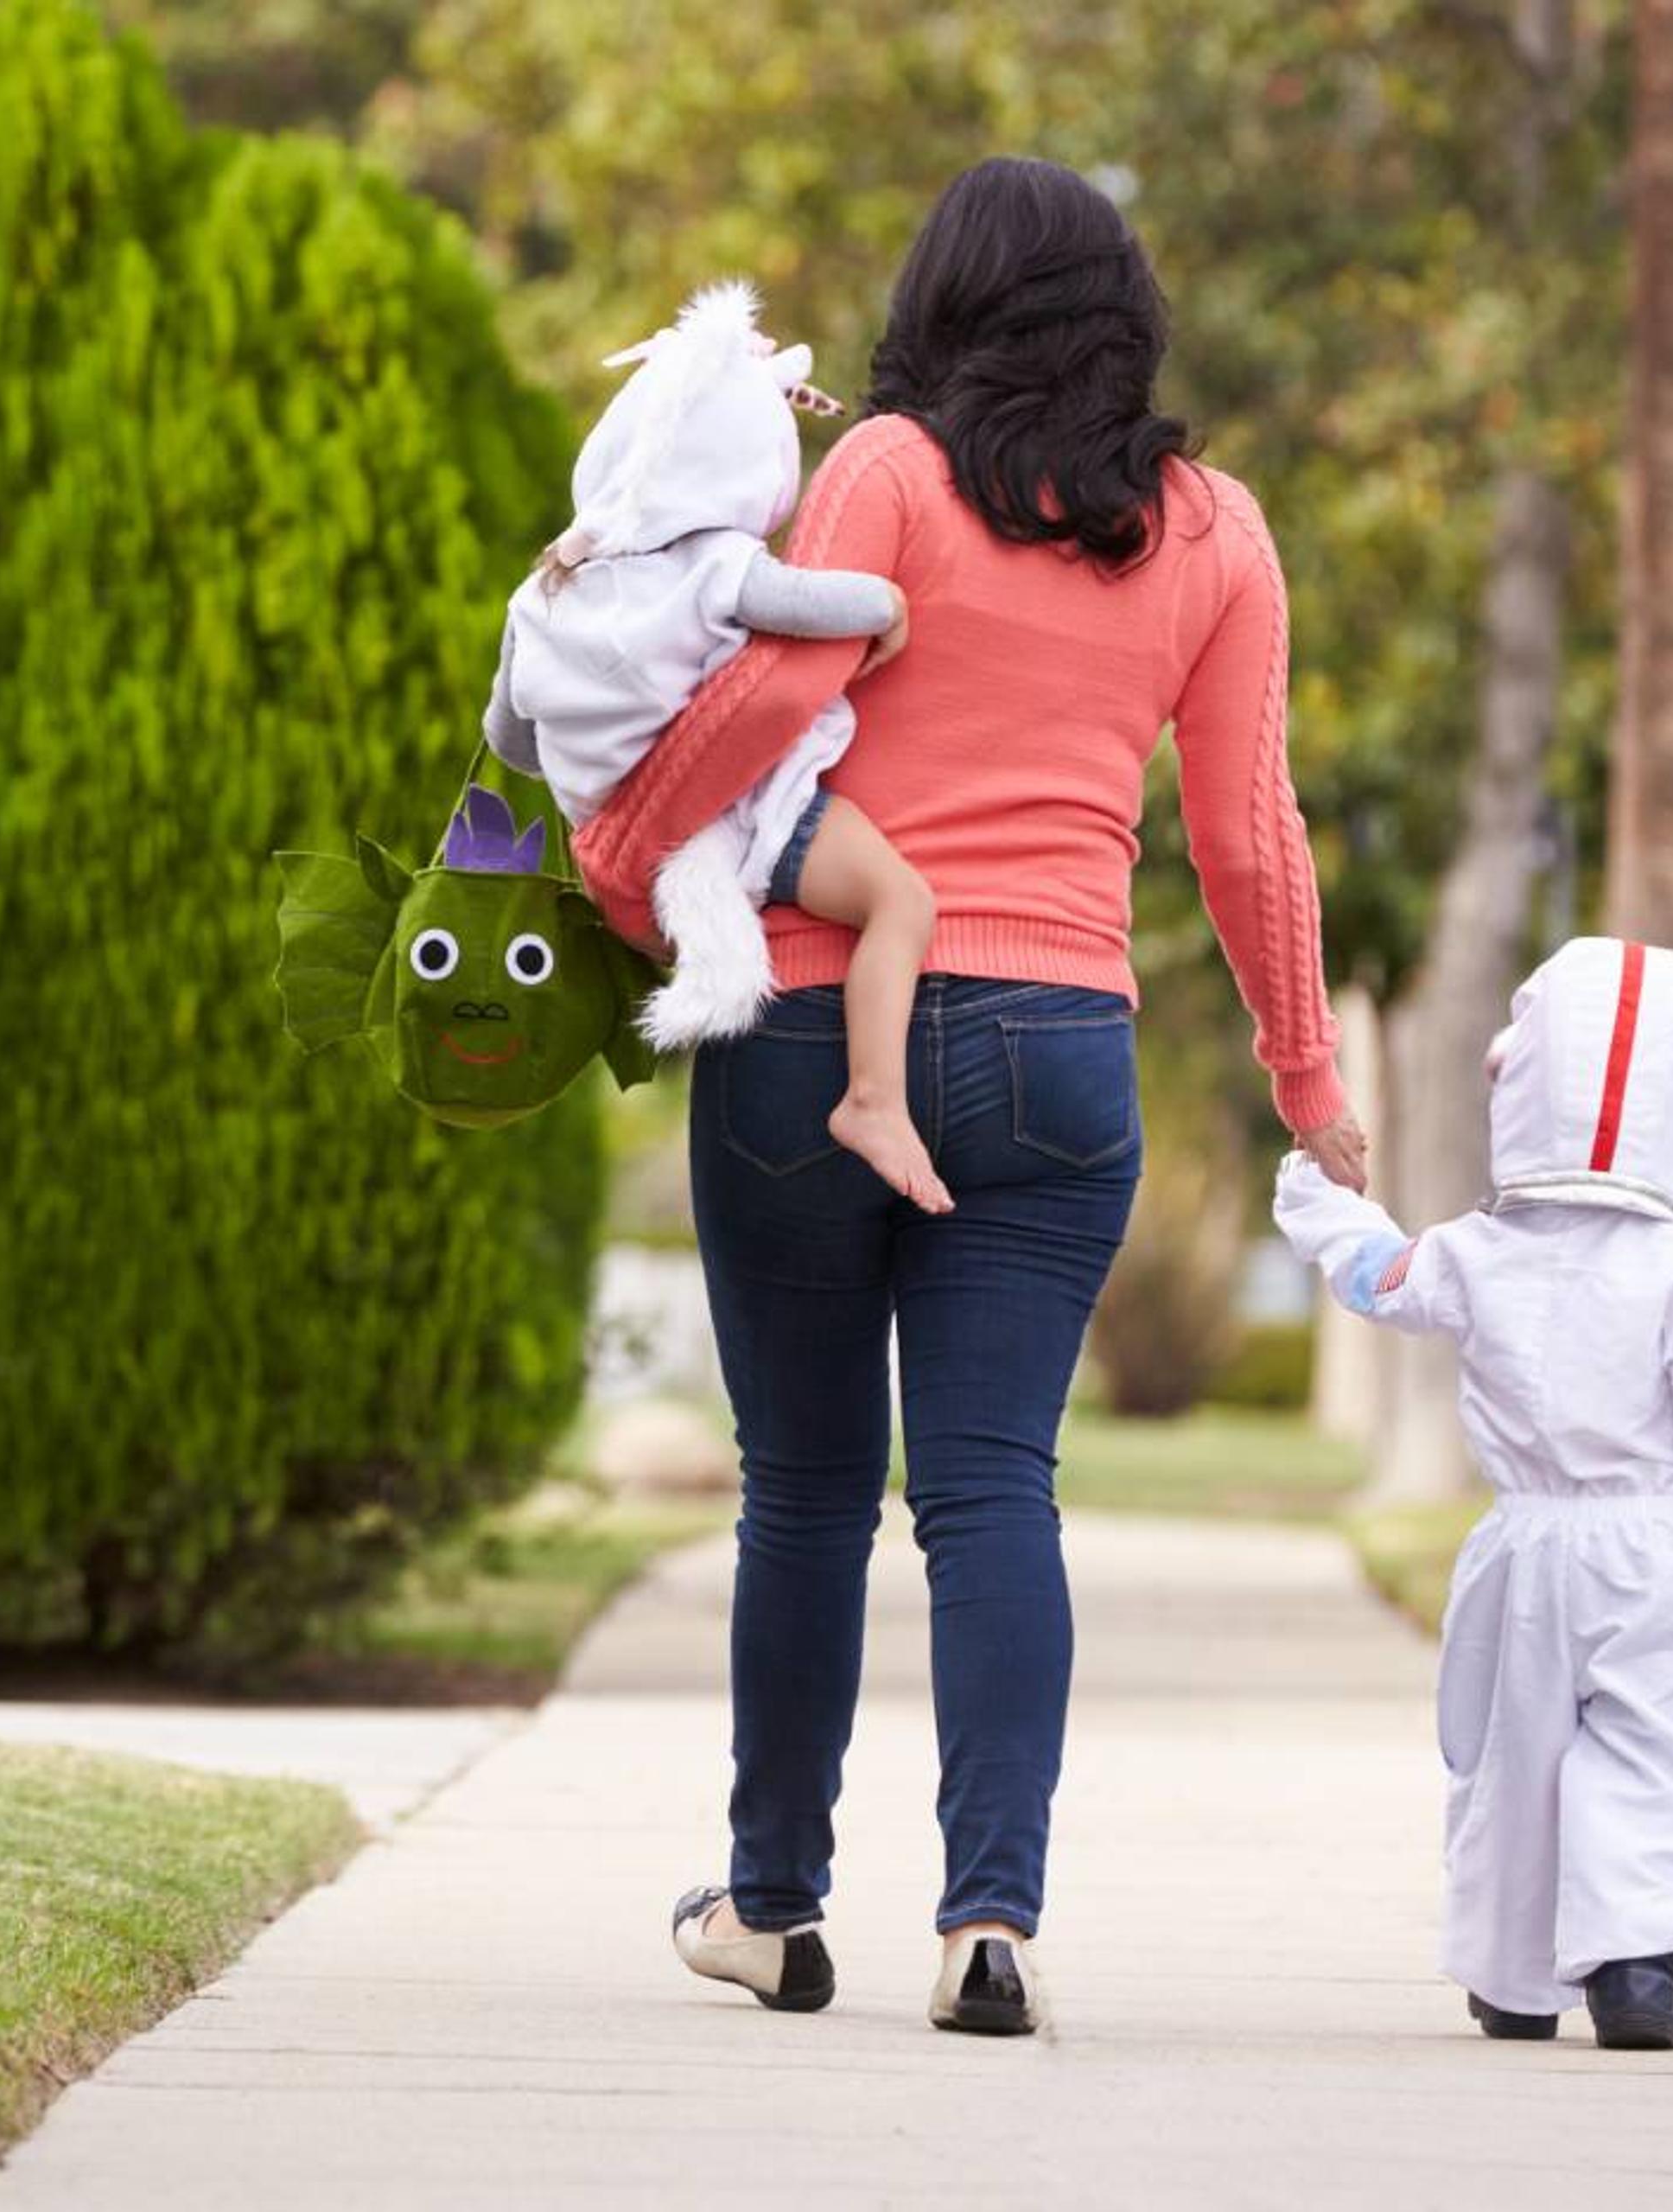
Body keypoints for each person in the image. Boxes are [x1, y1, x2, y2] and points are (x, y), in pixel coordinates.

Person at [567, 158, 1370, 2036]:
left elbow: (763, 713)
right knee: (997, 1485)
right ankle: (989, 1920)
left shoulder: (890, 477)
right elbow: (1250, 833)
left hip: (812, 1015)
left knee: (808, 1489)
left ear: (939, 301)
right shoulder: (1215, 528)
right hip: (1059, 1044)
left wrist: (624, 858)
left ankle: (774, 1906)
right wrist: (1305, 1075)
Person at [1270, 935, 1673, 2051]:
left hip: (1520, 1548)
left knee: (1515, 1754)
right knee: (1659, 1745)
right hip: (1658, 1555)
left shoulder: (1475, 1252)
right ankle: (1634, 1966)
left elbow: (1374, 1271)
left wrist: (1314, 1188)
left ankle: (1513, 1976)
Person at [485, 281, 945, 1213]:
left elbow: (512, 742)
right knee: (901, 900)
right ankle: (874, 1099)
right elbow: (826, 603)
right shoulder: (715, 566)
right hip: (749, 816)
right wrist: (890, 606)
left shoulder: (542, 594)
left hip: (623, 841)